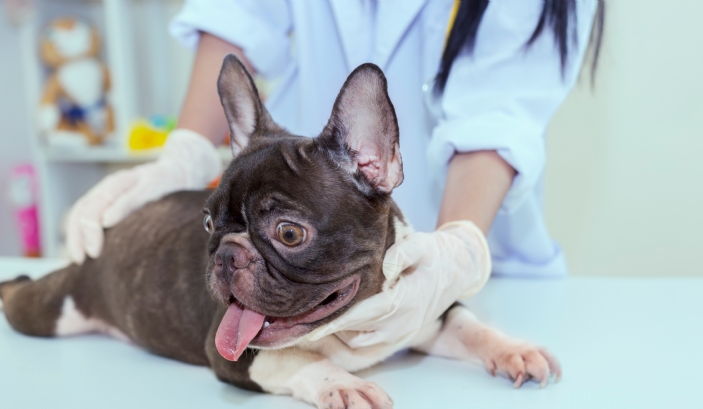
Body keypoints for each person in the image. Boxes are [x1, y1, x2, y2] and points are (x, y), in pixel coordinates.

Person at [66, 0, 604, 348]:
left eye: (286, 235)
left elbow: (497, 114)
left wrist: (456, 252)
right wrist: (183, 152)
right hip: (293, 219)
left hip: (489, 259)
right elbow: (237, 18)